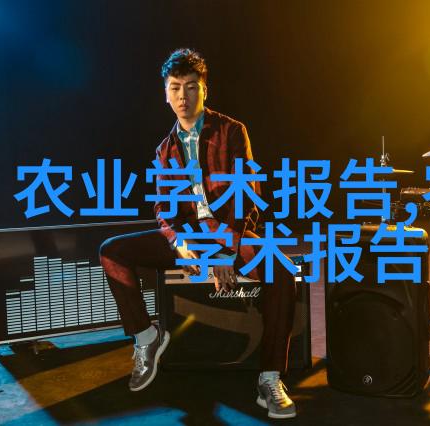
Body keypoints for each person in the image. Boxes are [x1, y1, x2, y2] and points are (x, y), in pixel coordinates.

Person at [99, 48, 297, 419]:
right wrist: (178, 242)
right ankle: (146, 336)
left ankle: (269, 379)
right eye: (175, 88)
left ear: (205, 90)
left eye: (191, 87)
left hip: (231, 233)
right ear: (165, 94)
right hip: (189, 238)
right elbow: (163, 209)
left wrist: (225, 252)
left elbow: (247, 194)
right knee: (112, 251)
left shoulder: (231, 131)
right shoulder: (164, 150)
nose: (183, 96)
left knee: (283, 273)